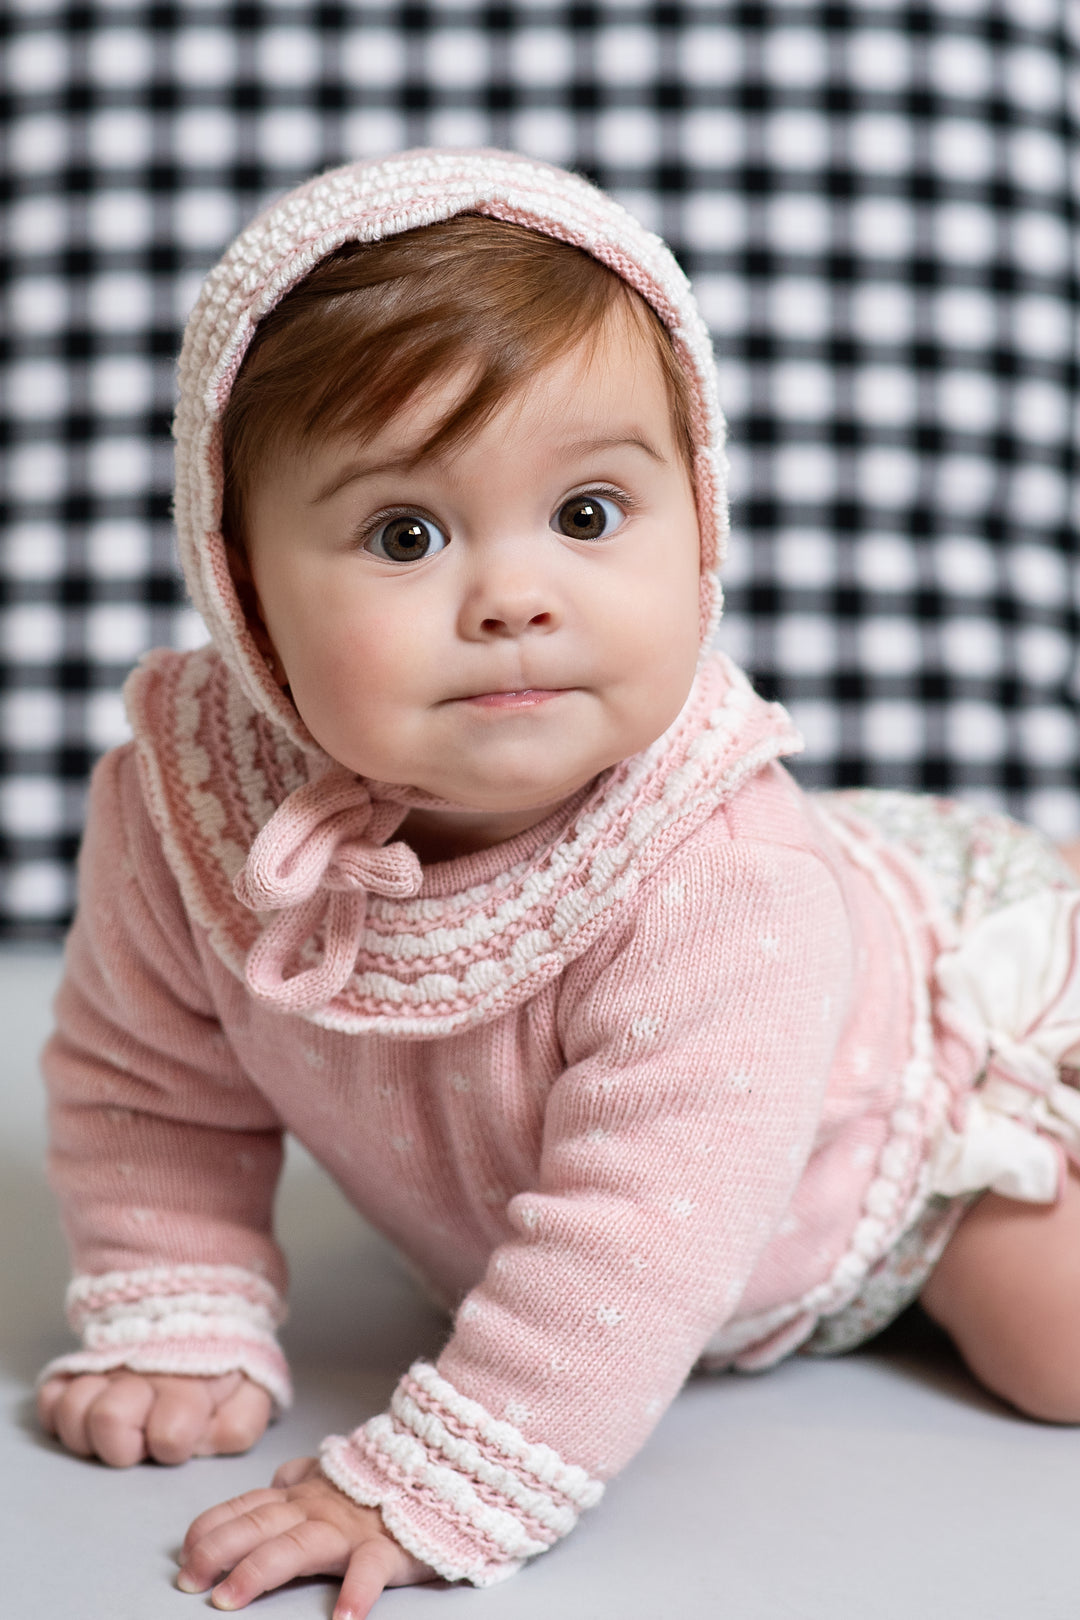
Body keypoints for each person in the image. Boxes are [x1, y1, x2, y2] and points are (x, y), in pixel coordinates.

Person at [33, 149, 1080, 1618]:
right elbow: (149, 1076)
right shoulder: (184, 803)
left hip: (885, 1144)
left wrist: (436, 1474)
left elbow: (637, 1232)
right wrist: (179, 1307)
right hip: (558, 1229)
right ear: (244, 588)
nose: (516, 598)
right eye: (407, 534)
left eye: (590, 515)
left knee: (1058, 1350)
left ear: (700, 524)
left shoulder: (723, 884)